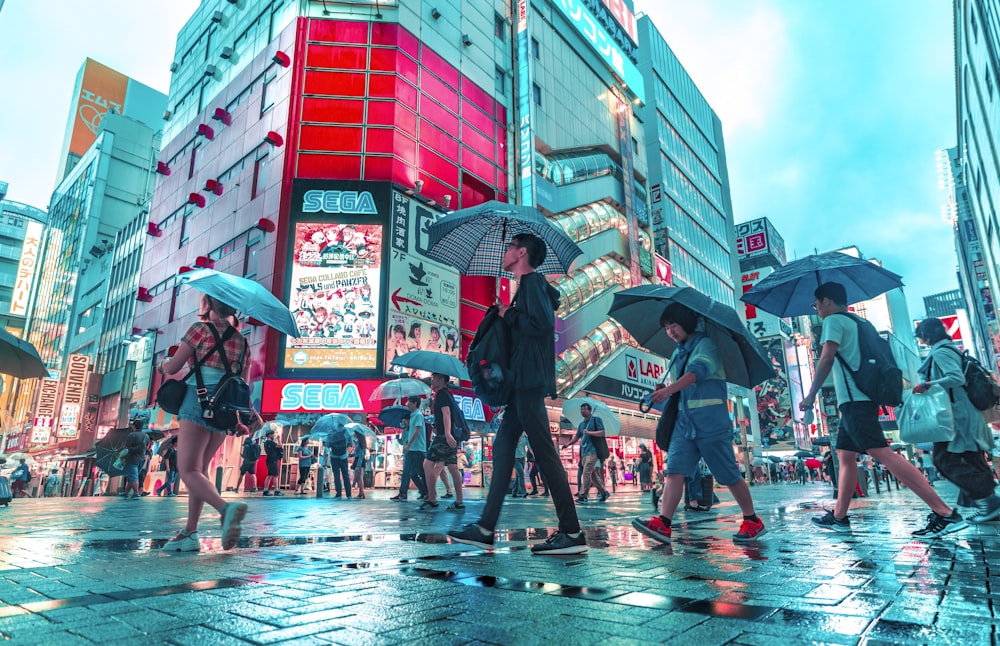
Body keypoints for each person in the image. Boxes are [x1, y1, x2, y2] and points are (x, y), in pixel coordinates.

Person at [448, 233, 586, 554]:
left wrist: (507, 315)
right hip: (519, 385)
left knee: (546, 456)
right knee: (503, 452)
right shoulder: (523, 289)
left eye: (509, 247)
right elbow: (526, 328)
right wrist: (503, 313)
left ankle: (572, 532)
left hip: (528, 384)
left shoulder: (534, 283)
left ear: (521, 252)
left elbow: (540, 325)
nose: (505, 251)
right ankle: (485, 527)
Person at [801, 282, 965, 538]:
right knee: (844, 455)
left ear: (826, 301)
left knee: (884, 454)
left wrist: (811, 395)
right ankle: (839, 517)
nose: (817, 309)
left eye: (816, 304)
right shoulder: (859, 322)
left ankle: (945, 513)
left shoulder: (834, 321)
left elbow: (827, 358)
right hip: (861, 399)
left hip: (855, 401)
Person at [632, 303, 766, 544]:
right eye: (666, 328)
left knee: (728, 474)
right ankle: (663, 523)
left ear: (686, 323)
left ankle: (752, 520)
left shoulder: (706, 345)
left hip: (710, 424)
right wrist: (666, 391)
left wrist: (670, 389)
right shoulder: (677, 354)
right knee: (674, 472)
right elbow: (685, 387)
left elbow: (698, 372)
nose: (671, 332)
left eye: (674, 326)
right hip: (684, 425)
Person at [155, 294, 251, 552]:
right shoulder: (242, 341)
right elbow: (242, 385)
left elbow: (174, 367)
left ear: (207, 305)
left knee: (187, 470)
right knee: (200, 471)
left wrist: (163, 365)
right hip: (224, 409)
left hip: (196, 402)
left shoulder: (199, 329)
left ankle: (226, 509)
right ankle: (190, 532)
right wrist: (241, 419)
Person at [914, 317, 1000, 523]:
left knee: (944, 461)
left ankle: (989, 502)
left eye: (921, 336)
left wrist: (927, 385)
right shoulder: (950, 349)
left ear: (926, 335)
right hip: (964, 414)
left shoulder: (942, 351)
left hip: (958, 417)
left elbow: (956, 378)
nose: (921, 341)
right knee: (973, 458)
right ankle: (990, 507)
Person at [419, 373, 465, 512]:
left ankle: (432, 498)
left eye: (435, 378)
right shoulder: (447, 394)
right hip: (448, 435)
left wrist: (446, 433)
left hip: (444, 437)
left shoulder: (442, 394)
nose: (433, 380)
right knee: (452, 467)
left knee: (427, 464)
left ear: (442, 380)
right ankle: (459, 502)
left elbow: (446, 413)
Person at [563, 403, 610, 503]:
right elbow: (576, 437)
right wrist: (568, 444)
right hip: (584, 452)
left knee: (586, 473)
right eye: (581, 409)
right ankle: (604, 492)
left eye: (585, 409)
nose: (583, 411)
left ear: (589, 410)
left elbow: (602, 432)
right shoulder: (581, 424)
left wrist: (589, 432)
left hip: (593, 452)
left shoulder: (596, 420)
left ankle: (583, 495)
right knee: (592, 475)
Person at [391, 397, 429, 501]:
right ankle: (403, 493)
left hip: (418, 449)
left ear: (415, 403)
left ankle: (427, 493)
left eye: (409, 402)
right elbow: (411, 431)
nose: (407, 403)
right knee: (407, 472)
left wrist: (408, 445)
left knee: (420, 472)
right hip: (412, 449)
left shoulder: (418, 415)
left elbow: (417, 431)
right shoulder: (413, 415)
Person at [325, 420, 354, 499]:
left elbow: (327, 445)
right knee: (345, 475)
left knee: (336, 475)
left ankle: (338, 493)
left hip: (334, 456)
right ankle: (349, 495)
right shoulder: (346, 431)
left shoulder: (331, 432)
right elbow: (351, 443)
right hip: (343, 456)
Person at [123, 425, 148, 499]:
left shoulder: (131, 435)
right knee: (132, 476)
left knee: (133, 477)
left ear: (134, 426)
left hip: (132, 458)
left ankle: (136, 493)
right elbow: (146, 446)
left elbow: (127, 447)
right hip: (141, 459)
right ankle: (126, 492)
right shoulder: (146, 436)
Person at [262, 429, 284, 496]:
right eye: (272, 434)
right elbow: (280, 446)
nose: (273, 435)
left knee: (269, 475)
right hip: (273, 460)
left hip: (268, 459)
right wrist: (279, 439)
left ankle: (265, 490)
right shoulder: (271, 443)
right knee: (275, 475)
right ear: (270, 435)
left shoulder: (266, 443)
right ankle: (276, 490)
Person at [351, 426, 367, 499]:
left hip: (359, 460)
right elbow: (357, 453)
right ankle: (361, 493)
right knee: (358, 477)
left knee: (359, 477)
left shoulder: (361, 442)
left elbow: (361, 454)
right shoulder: (358, 442)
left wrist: (358, 465)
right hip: (358, 459)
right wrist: (351, 455)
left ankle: (361, 493)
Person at [511, 433, 529, 497]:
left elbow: (529, 447)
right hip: (515, 458)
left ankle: (514, 492)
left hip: (522, 458)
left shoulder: (525, 437)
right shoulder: (513, 435)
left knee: (518, 476)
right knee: (521, 475)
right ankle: (524, 492)